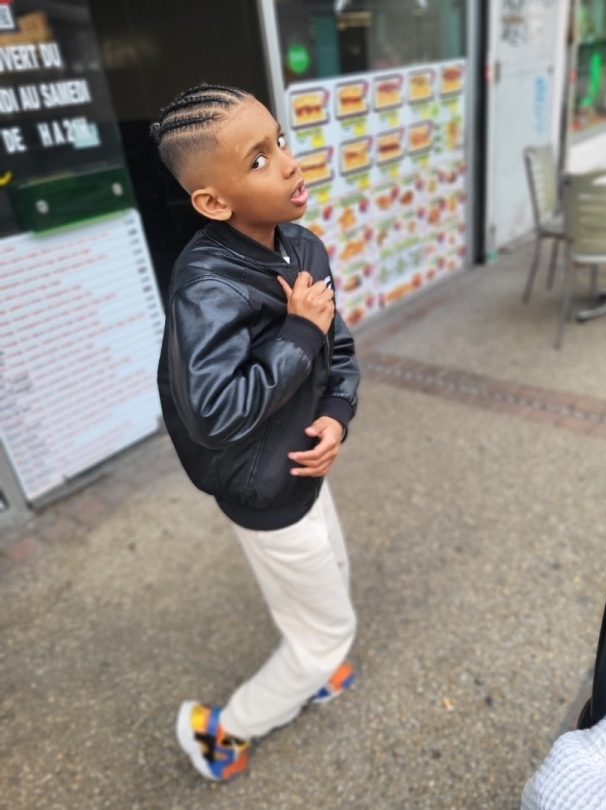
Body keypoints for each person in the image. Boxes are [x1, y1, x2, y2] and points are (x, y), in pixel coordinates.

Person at [150, 83, 360, 782]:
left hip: (303, 467)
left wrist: (337, 413)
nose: (290, 162)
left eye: (281, 141)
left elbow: (339, 347)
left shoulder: (303, 246)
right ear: (214, 202)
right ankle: (222, 730)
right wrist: (299, 331)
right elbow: (215, 412)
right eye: (259, 159)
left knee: (329, 577)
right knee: (328, 630)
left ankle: (313, 666)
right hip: (262, 489)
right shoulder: (206, 286)